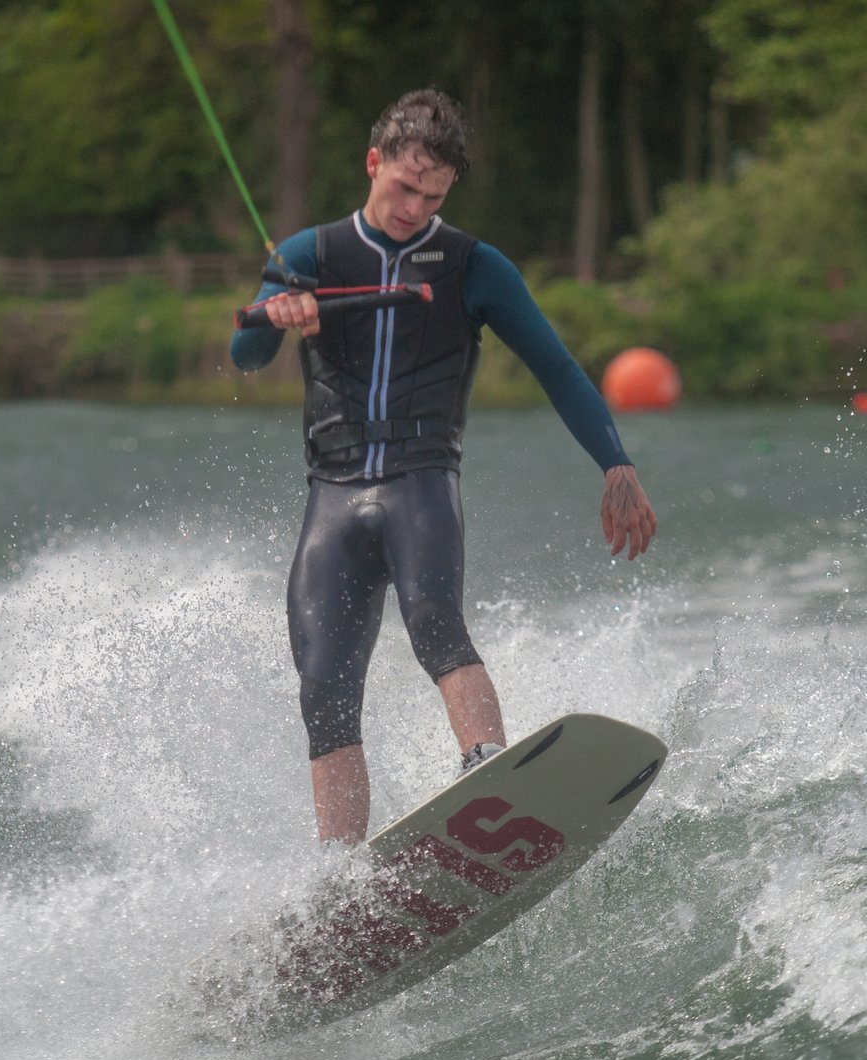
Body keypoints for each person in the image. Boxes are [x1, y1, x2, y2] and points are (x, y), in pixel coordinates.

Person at [231, 88, 657, 846]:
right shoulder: (310, 255)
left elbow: (556, 367)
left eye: (431, 196)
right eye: (402, 187)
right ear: (374, 163)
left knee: (434, 622)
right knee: (324, 687)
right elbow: (245, 354)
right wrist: (276, 315)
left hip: (420, 482)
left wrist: (614, 464)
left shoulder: (473, 267)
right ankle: (340, 877)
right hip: (331, 494)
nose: (412, 208)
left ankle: (490, 766)